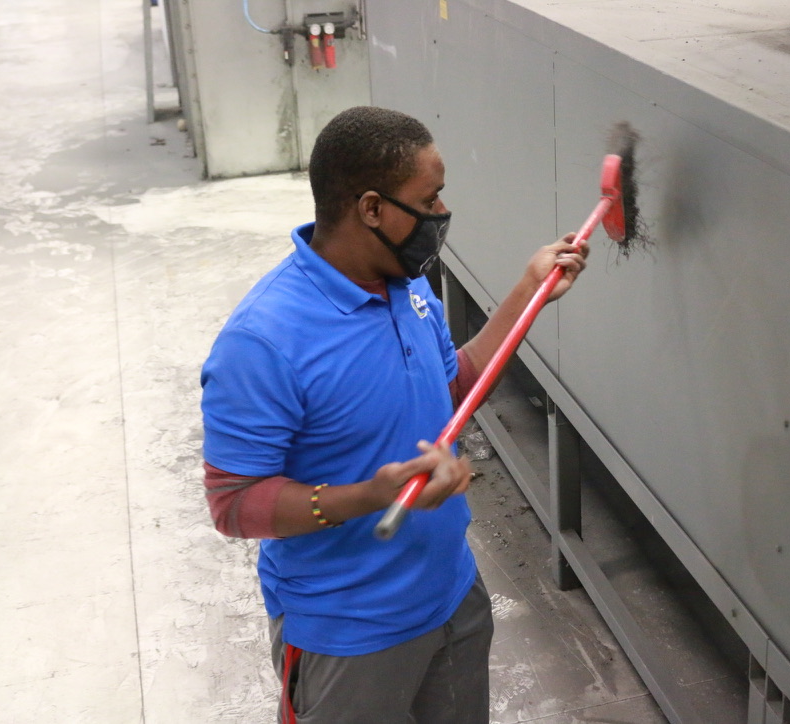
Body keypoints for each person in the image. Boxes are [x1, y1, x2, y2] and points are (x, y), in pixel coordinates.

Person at [199, 106, 588, 724]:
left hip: (452, 596)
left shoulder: (405, 284)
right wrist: (368, 496)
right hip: (348, 636)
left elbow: (453, 387)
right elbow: (234, 503)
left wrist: (527, 291)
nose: (440, 215)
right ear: (372, 209)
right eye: (429, 200)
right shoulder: (264, 341)